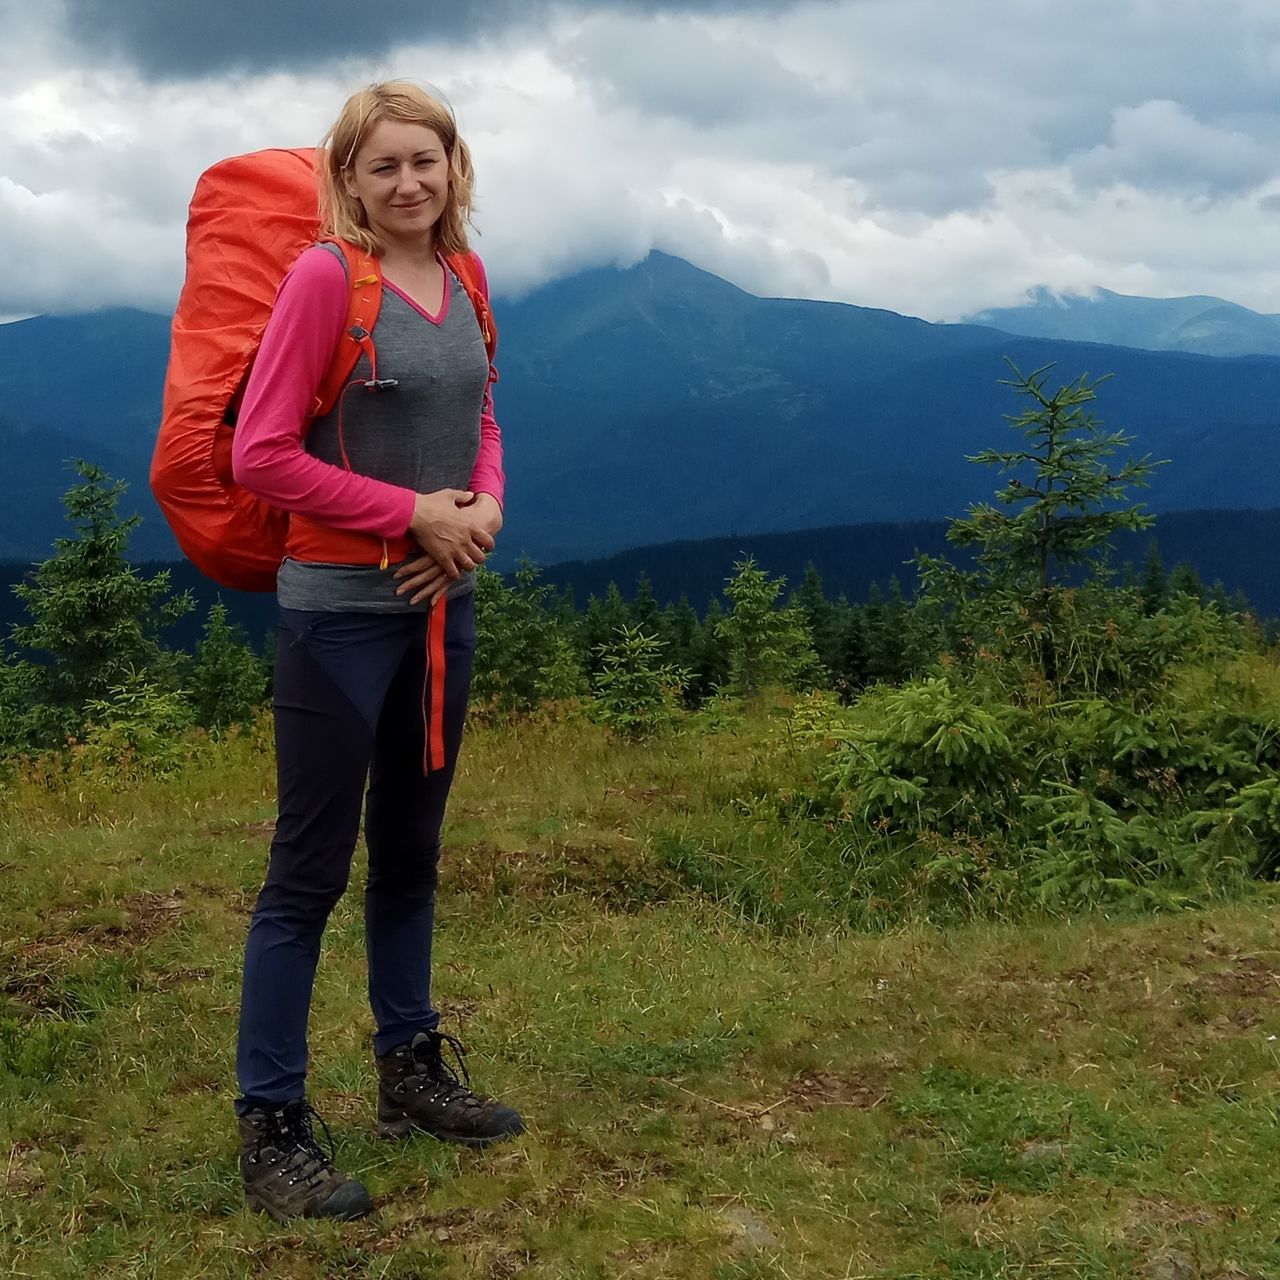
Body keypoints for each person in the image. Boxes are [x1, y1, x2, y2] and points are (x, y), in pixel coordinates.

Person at [228, 80, 521, 1224]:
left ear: (454, 169)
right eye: (384, 165)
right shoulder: (323, 280)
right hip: (339, 615)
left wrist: (481, 513)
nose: (408, 183)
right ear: (347, 178)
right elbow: (260, 452)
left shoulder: (466, 280)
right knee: (306, 872)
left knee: (410, 848)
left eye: (426, 162)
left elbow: (485, 416)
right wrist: (412, 516)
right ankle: (272, 1122)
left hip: (441, 608)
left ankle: (409, 1068)